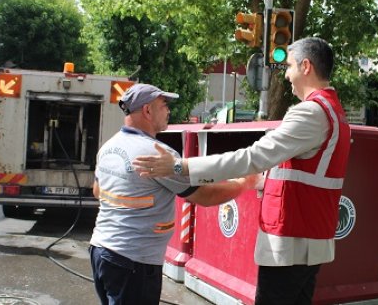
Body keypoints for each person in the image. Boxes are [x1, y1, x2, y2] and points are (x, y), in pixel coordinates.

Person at [133, 37, 351, 305]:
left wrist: (181, 165)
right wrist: (265, 181)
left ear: (306, 66)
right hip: (309, 241)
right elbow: (309, 169)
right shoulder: (333, 111)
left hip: (290, 242)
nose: (286, 75)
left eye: (290, 66)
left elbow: (252, 157)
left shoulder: (310, 113)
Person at [89, 83, 257, 305]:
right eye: (164, 105)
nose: (168, 111)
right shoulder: (157, 153)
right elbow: (205, 196)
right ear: (148, 110)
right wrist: (245, 182)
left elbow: (97, 191)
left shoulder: (109, 146)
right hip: (134, 261)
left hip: (102, 250)